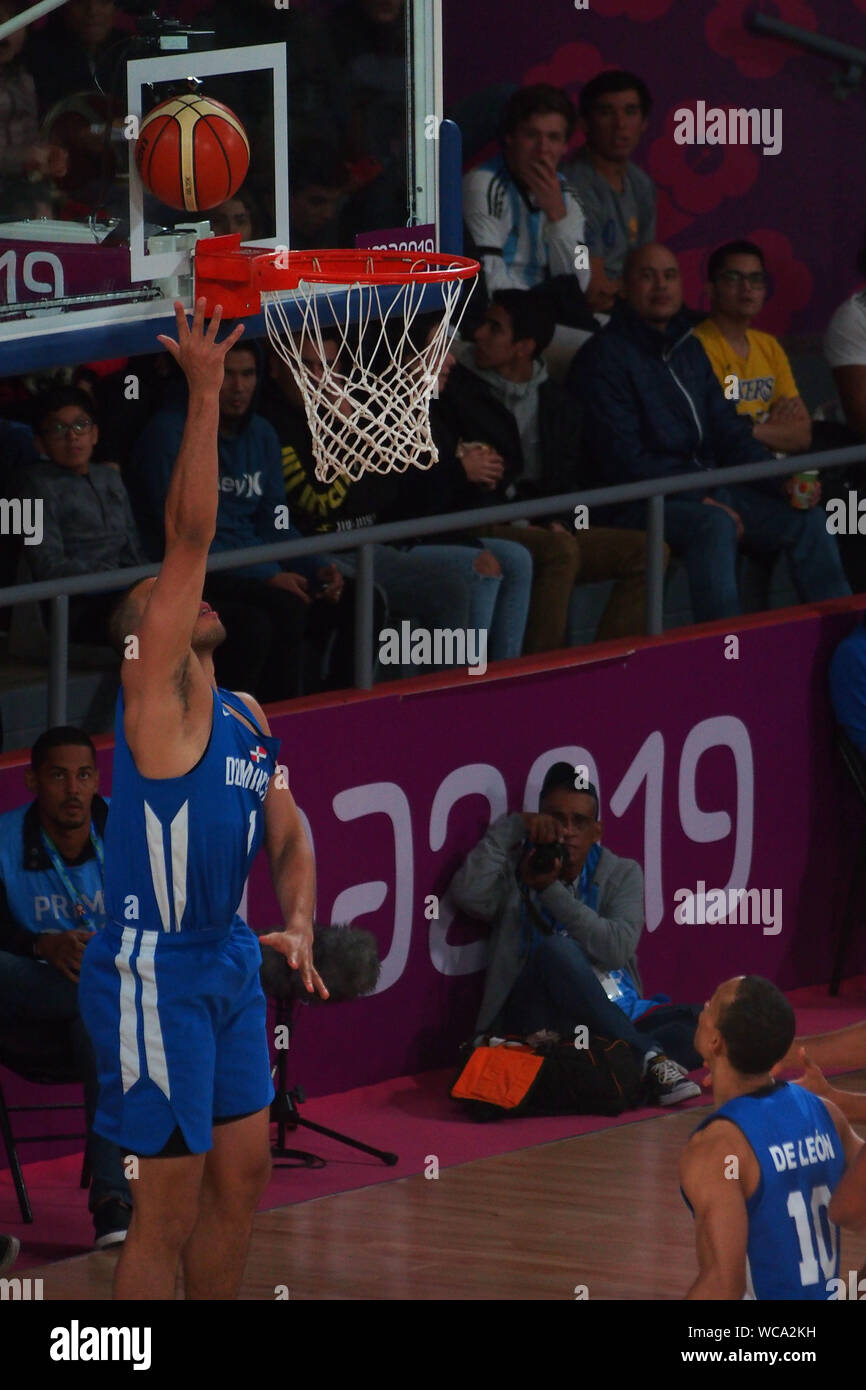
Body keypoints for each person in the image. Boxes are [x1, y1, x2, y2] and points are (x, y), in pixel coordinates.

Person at [77, 299, 326, 1302]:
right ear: (148, 640)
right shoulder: (154, 705)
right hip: (152, 971)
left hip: (225, 954)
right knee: (166, 1207)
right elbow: (187, 537)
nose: (190, 597)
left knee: (243, 1181)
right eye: (169, 602)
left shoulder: (245, 712)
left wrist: (299, 921)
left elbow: (291, 828)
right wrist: (205, 392)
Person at [576, 243, 851, 622]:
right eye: (647, 276)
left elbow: (731, 433)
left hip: (705, 489)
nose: (661, 286)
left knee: (807, 517)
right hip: (635, 502)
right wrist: (700, 494)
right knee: (714, 524)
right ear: (623, 286)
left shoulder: (688, 350)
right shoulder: (603, 358)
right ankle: (726, 652)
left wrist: (781, 481)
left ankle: (847, 641)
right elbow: (623, 460)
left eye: (670, 276)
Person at [259, 332, 528, 669]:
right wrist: (346, 431)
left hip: (376, 538)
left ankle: (467, 695)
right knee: (446, 580)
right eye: (307, 367)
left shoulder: (387, 410)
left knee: (477, 576)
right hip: (321, 547)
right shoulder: (273, 426)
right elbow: (321, 501)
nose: (319, 379)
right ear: (276, 369)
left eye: (327, 367)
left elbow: (385, 494)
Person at [448, 761, 703, 1105]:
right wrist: (514, 828)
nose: (567, 831)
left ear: (596, 831)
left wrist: (550, 892)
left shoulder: (622, 873)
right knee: (558, 951)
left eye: (579, 822)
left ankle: (621, 1063)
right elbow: (467, 895)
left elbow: (615, 949)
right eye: (555, 819)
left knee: (708, 1024)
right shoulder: (517, 869)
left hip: (612, 1014)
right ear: (539, 820)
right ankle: (647, 1060)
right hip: (536, 1020)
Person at [127, 338, 356, 700]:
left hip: (255, 566)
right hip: (196, 573)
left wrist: (316, 564)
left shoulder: (262, 433)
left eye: (247, 374)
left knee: (354, 597)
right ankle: (262, 722)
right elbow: (181, 535)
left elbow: (275, 523)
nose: (237, 386)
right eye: (226, 374)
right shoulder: (168, 433)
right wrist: (269, 576)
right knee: (273, 616)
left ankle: (344, 709)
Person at [450, 288, 666, 648]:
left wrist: (563, 520)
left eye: (494, 328)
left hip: (542, 521)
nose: (479, 335)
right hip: (483, 521)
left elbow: (569, 480)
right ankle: (543, 680)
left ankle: (604, 668)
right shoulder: (456, 390)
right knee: (560, 552)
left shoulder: (558, 403)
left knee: (650, 551)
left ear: (524, 346)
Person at [0, 726, 132, 1246]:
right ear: (33, 780)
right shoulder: (5, 840)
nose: (73, 789)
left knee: (97, 1018)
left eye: (83, 775)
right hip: (25, 1000)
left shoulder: (130, 831)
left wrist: (102, 956)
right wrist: (42, 946)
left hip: (100, 1015)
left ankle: (112, 1203)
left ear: (97, 780)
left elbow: (167, 921)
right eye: (58, 776)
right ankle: (115, 1206)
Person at [680, 974, 862, 1299]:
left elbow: (722, 1287)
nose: (702, 1010)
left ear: (715, 1042)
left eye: (710, 1006)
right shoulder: (826, 1113)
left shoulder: (718, 1146)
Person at [21, 387, 146, 645]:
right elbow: (47, 566)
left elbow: (133, 548)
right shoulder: (31, 487)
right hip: (77, 606)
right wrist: (107, 575)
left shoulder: (109, 477)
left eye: (81, 425)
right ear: (39, 442)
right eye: (58, 429)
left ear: (95, 433)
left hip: (129, 591)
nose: (72, 437)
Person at [693, 240, 812, 455]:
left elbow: (802, 434)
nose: (746, 287)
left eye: (755, 279)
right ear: (711, 289)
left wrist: (749, 429)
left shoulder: (768, 345)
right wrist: (773, 428)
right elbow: (718, 435)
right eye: (733, 278)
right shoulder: (697, 346)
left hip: (776, 468)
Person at [561, 70, 656, 317]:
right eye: (606, 113)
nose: (620, 124)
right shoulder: (574, 182)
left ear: (644, 122)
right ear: (585, 123)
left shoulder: (640, 183)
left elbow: (647, 261)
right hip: (585, 307)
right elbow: (592, 280)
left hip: (631, 300)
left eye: (630, 111)